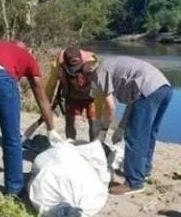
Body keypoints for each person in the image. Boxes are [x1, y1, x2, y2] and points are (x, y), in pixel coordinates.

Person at [0, 40, 61, 198]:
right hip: (0, 74)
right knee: (12, 136)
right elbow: (41, 96)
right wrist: (51, 128)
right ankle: (14, 189)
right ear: (29, 50)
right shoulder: (28, 57)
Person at [68, 53, 172, 195]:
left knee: (135, 137)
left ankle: (134, 182)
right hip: (163, 88)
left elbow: (110, 107)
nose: (83, 78)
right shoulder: (110, 67)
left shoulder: (100, 72)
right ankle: (144, 171)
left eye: (82, 73)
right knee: (148, 134)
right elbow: (132, 104)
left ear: (87, 70)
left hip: (148, 90)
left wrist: (104, 130)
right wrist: (121, 127)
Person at [44, 47, 101, 142]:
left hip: (90, 97)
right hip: (71, 95)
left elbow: (101, 85)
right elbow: (51, 85)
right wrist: (46, 105)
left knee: (94, 121)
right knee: (69, 122)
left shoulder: (92, 62)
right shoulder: (58, 65)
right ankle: (70, 145)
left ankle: (94, 145)